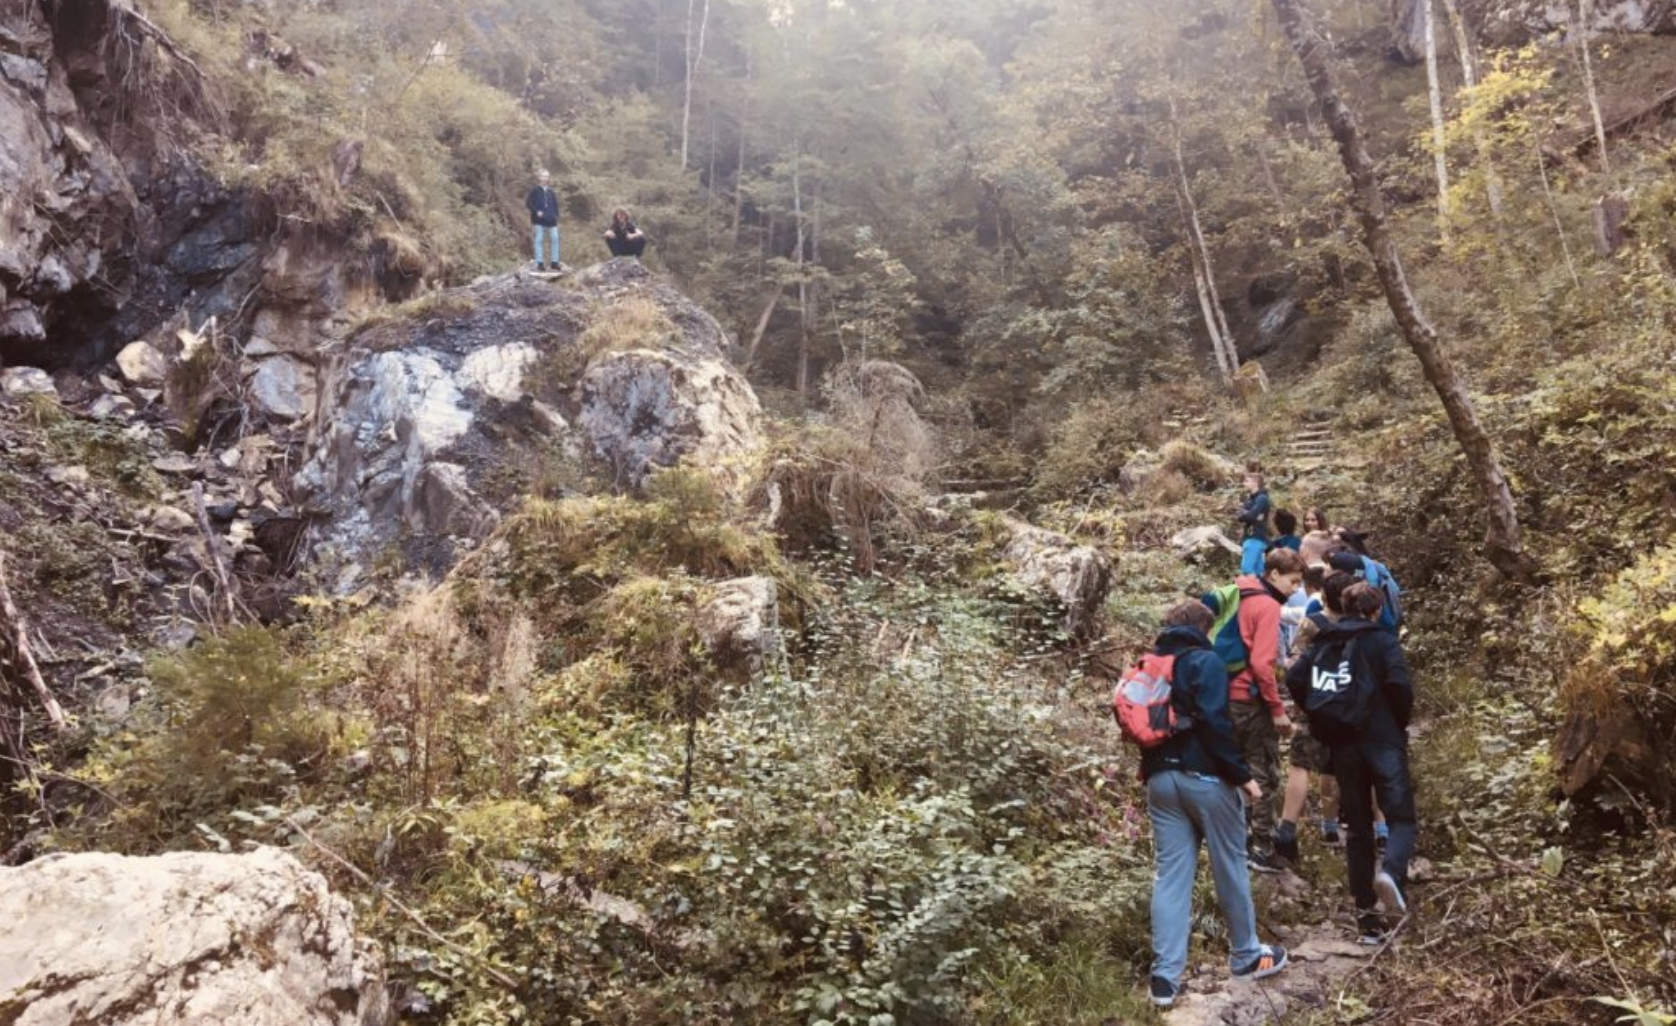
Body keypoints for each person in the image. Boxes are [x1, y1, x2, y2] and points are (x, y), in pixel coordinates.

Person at [1141, 600, 1289, 1009]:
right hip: (1205, 778)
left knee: (1171, 875)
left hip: (1159, 778)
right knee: (1229, 864)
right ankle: (1246, 955)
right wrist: (1242, 776)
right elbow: (1214, 723)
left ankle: (1165, 979)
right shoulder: (1204, 661)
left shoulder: (1153, 662)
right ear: (1204, 630)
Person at [1285, 581, 1418, 944]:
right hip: (1383, 740)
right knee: (1401, 816)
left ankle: (1367, 922)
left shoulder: (1324, 640)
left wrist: (1319, 712)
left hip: (1343, 745)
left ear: (1342, 607)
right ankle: (1391, 872)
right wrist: (1395, 720)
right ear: (1377, 611)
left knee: (1357, 829)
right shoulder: (1382, 640)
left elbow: (1295, 676)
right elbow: (1400, 687)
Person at [1216, 547, 1304, 870]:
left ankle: (1235, 839)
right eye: (1292, 582)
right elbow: (1262, 664)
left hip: (1226, 695)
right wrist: (1277, 709)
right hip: (1251, 699)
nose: (1295, 589)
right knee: (1263, 771)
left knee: (1235, 766)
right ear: (1274, 575)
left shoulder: (1239, 595)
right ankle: (1263, 847)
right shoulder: (1266, 606)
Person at [1236, 472, 1272, 576]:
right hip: (1251, 537)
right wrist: (1248, 514)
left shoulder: (1262, 498)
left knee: (1247, 568)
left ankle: (1254, 590)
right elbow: (1240, 515)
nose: (1244, 483)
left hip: (1255, 537)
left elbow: (1250, 516)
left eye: (1247, 481)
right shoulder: (1250, 499)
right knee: (1259, 571)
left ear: (1255, 483)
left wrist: (1247, 514)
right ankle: (1262, 590)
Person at [526, 169, 561, 271]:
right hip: (539, 219)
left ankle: (554, 262)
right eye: (543, 176)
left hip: (551, 219)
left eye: (547, 176)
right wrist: (536, 211)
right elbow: (528, 203)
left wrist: (555, 215)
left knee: (555, 238)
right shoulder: (535, 190)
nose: (545, 178)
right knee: (539, 239)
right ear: (539, 177)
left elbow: (555, 205)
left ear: (548, 178)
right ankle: (540, 263)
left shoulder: (551, 192)